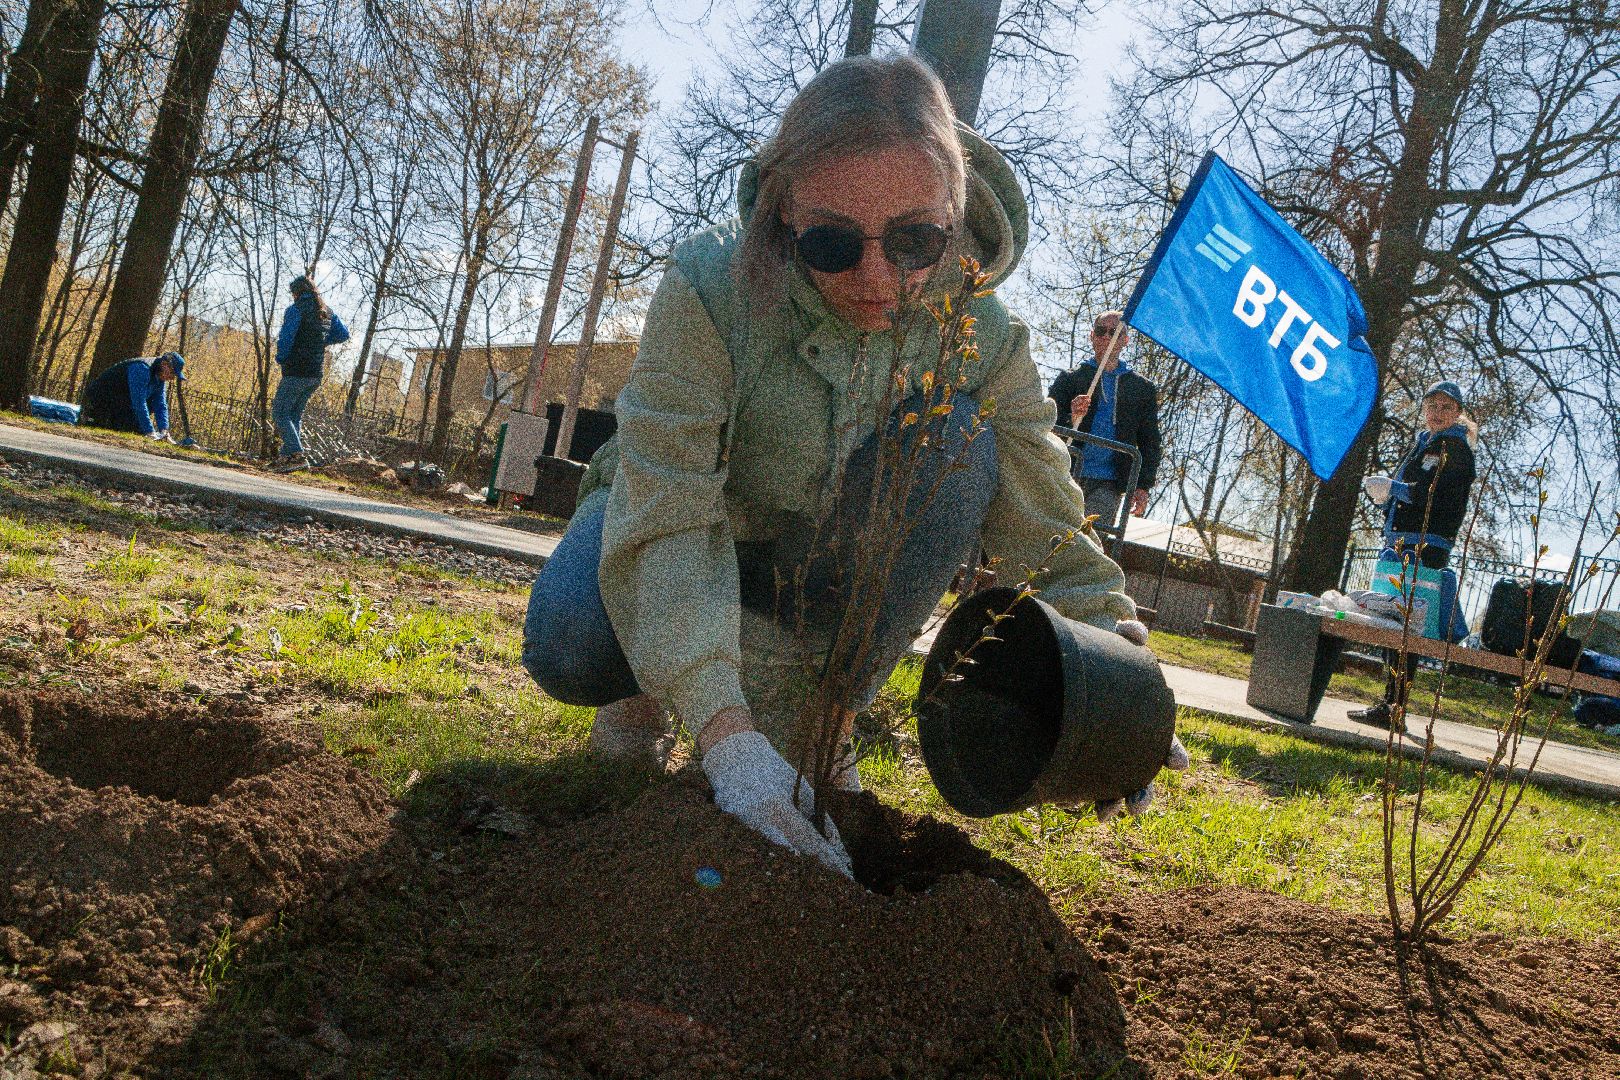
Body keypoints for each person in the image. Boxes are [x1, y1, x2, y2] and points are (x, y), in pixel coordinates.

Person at [520, 56, 1186, 877]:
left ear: (954, 208)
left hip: (822, 563)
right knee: (574, 639)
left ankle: (822, 727)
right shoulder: (709, 288)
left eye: (914, 239)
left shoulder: (983, 335)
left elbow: (1042, 508)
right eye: (832, 242)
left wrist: (1115, 659)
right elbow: (665, 507)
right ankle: (651, 693)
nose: (877, 278)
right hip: (687, 531)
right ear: (785, 211)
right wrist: (728, 743)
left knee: (963, 445)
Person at [1351, 379, 1479, 729]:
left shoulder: (1454, 448)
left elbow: (1434, 495)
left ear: (1457, 412)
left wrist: (1395, 489)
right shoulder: (1427, 444)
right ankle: (1390, 704)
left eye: (1446, 407)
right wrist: (1389, 499)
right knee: (1395, 621)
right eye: (1433, 405)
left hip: (1424, 547)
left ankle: (1395, 709)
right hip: (1403, 542)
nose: (1438, 412)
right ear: (1424, 408)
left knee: (1408, 623)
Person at [1046, 311, 1162, 526]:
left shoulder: (1141, 388)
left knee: (1090, 542)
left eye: (1115, 333)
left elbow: (1150, 442)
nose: (1107, 337)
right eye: (1101, 331)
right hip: (1064, 474)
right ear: (1092, 336)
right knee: (1053, 537)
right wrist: (1071, 417)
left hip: (1109, 482)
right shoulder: (1070, 379)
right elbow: (1044, 423)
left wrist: (1143, 485)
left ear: (1125, 341)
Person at [272, 275, 349, 472]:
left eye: (293, 293)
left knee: (280, 412)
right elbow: (343, 334)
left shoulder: (295, 310)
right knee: (294, 416)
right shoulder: (326, 312)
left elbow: (286, 338)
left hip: (296, 370)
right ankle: (288, 459)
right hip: (315, 373)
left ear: (297, 293)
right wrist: (319, 340)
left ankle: (297, 454)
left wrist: (281, 358)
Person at [79, 352, 185, 439]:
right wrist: (149, 431)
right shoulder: (142, 368)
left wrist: (164, 431)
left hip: (121, 402)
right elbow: (139, 401)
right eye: (172, 373)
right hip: (101, 399)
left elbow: (160, 404)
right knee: (103, 428)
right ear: (164, 365)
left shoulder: (160, 378)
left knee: (135, 428)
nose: (172, 378)